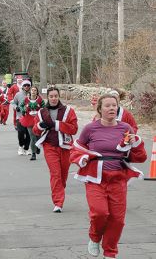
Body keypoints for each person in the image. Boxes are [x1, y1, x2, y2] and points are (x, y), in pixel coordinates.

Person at [70, 94, 147, 259]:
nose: (112, 108)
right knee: (100, 213)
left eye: (114, 105)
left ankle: (110, 253)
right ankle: (95, 236)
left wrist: (135, 143)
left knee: (117, 220)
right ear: (100, 109)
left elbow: (140, 157)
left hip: (118, 179)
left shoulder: (126, 128)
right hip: (95, 178)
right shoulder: (90, 128)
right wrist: (82, 158)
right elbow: (76, 148)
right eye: (107, 106)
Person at [33, 86, 78, 212]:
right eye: (51, 96)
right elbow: (36, 130)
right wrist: (40, 125)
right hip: (49, 146)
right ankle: (58, 202)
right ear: (48, 97)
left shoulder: (68, 111)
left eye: (55, 96)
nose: (53, 99)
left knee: (63, 175)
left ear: (59, 97)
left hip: (65, 146)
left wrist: (57, 125)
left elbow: (74, 129)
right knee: (55, 174)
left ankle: (59, 192)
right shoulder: (42, 112)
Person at [20, 86, 45, 160]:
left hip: (38, 120)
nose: (33, 91)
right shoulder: (26, 99)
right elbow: (21, 106)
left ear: (37, 92)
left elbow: (44, 108)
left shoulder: (40, 100)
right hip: (28, 119)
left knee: (38, 136)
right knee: (32, 136)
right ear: (30, 91)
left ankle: (37, 146)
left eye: (35, 90)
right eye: (32, 90)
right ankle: (33, 154)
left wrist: (40, 111)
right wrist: (23, 110)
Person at [12, 80, 32, 155]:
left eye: (28, 85)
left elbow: (38, 102)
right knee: (21, 131)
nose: (26, 87)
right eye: (25, 85)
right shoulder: (18, 94)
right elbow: (13, 103)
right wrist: (16, 107)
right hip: (20, 116)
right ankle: (21, 146)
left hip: (30, 117)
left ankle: (26, 148)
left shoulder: (33, 94)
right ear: (22, 86)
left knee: (28, 133)